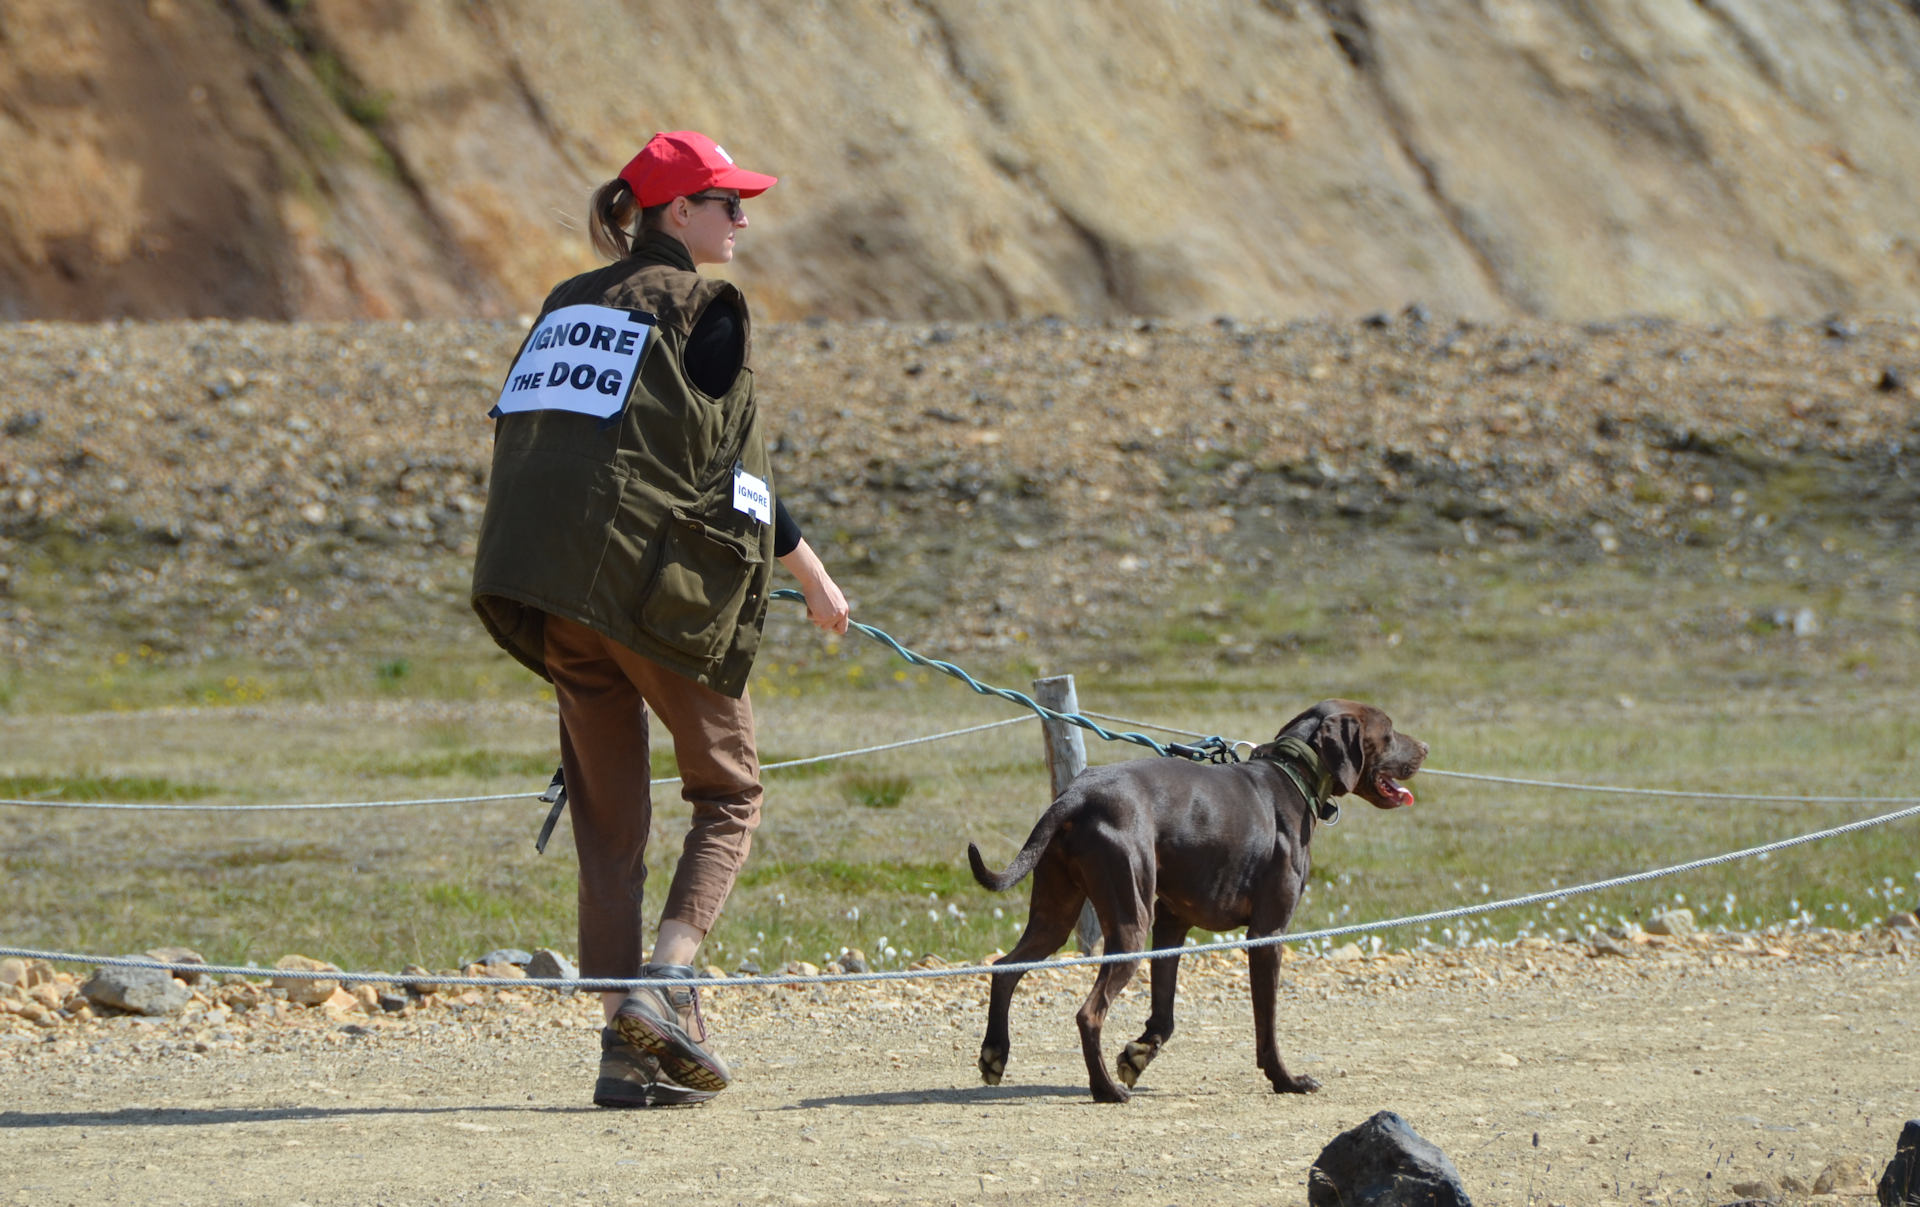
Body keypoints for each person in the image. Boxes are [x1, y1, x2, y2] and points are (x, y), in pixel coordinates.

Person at [470, 130, 850, 1108]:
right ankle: (667, 982)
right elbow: (737, 474)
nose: (744, 219)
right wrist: (810, 572)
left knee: (608, 824)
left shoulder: (565, 302)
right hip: (648, 587)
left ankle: (621, 1047)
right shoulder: (706, 306)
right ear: (676, 214)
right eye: (727, 202)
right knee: (730, 794)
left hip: (553, 589)